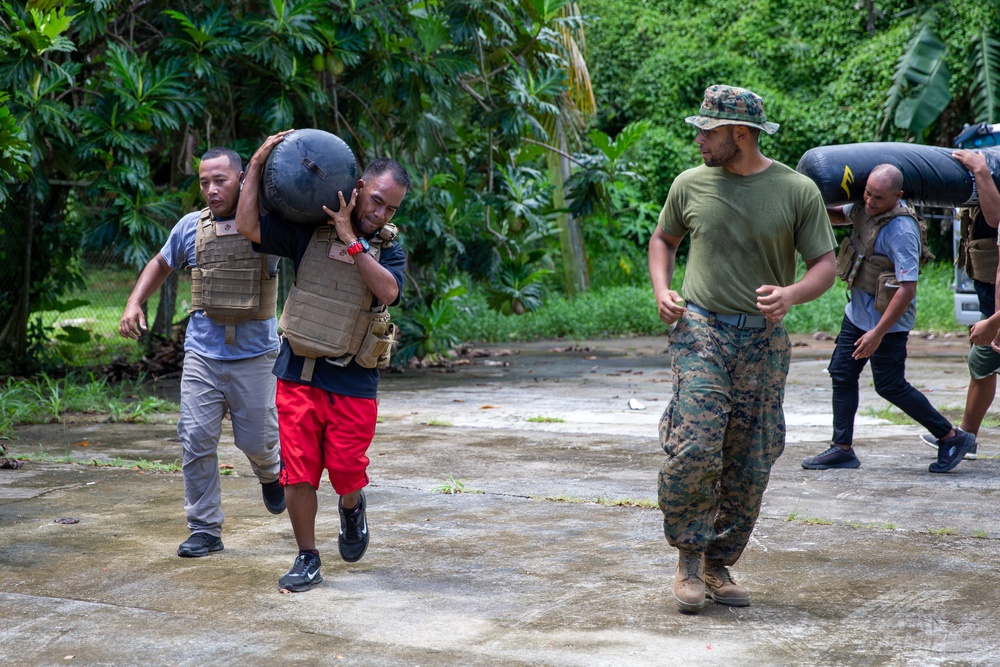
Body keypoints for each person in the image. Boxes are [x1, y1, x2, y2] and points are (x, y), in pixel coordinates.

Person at [648, 84, 837, 614]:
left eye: (707, 131)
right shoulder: (690, 184)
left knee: (752, 455)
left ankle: (717, 562)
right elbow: (663, 240)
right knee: (695, 442)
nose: (699, 141)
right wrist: (663, 290)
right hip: (701, 329)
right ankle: (688, 555)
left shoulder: (796, 191)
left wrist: (792, 294)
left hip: (763, 340)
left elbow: (826, 263)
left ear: (739, 133)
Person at [236, 130, 410, 593]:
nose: (381, 213)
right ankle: (307, 556)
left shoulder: (388, 247)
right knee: (298, 471)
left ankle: (352, 507)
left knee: (347, 470)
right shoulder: (308, 231)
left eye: (391, 208)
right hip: (299, 372)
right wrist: (255, 166)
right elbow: (250, 226)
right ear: (357, 188)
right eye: (376, 201)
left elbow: (389, 291)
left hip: (354, 380)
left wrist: (352, 239)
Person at [119, 147, 285, 558]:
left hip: (256, 356)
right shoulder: (191, 227)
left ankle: (270, 472)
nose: (211, 190)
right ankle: (205, 528)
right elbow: (161, 262)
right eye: (204, 182)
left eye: (220, 180)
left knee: (259, 442)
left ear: (243, 178)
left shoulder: (271, 226)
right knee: (195, 439)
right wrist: (133, 302)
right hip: (203, 355)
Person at [801, 163, 976, 475]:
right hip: (857, 316)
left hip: (888, 325)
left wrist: (878, 334)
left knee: (890, 386)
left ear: (898, 196)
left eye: (878, 198)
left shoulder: (902, 231)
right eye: (867, 193)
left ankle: (951, 436)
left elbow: (907, 289)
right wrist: (808, 199)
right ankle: (842, 449)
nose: (869, 202)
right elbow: (839, 214)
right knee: (842, 374)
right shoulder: (863, 208)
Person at [919, 149, 1000, 459]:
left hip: (994, 295)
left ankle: (966, 436)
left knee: (982, 361)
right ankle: (967, 435)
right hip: (989, 287)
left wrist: (981, 170)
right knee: (982, 363)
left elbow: (995, 218)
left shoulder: (990, 172)